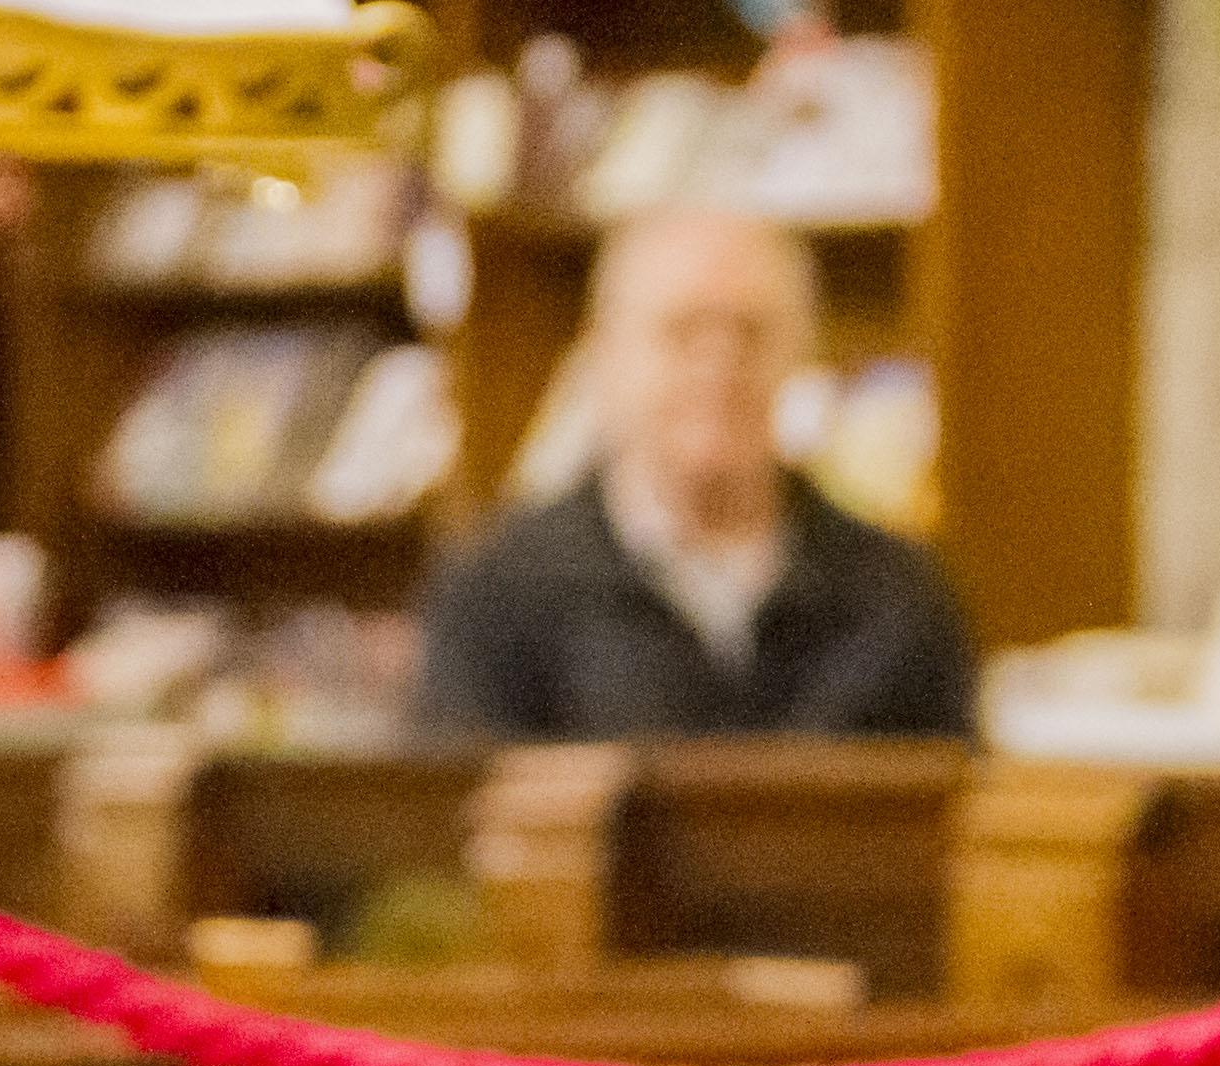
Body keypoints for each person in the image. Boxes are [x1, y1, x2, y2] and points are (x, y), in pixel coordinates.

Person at [415, 207, 973, 741]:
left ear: (801, 354)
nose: (718, 367)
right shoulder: (498, 595)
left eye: (751, 332)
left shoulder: (897, 598)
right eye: (682, 331)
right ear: (604, 353)